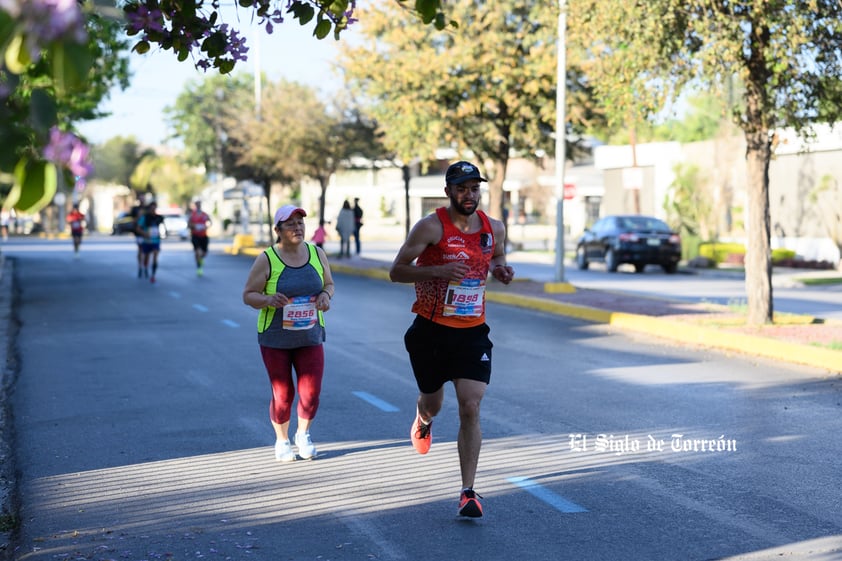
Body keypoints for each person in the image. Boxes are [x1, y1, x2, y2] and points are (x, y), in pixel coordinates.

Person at [389, 160, 515, 519]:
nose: (469, 194)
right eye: (462, 188)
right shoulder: (430, 227)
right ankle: (423, 418)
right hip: (430, 330)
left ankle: (468, 491)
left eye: (474, 188)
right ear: (448, 192)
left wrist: (500, 269)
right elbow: (396, 270)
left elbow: (497, 256)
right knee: (433, 402)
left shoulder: (494, 228)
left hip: (473, 331)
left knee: (471, 405)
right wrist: (438, 270)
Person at [242, 205, 336, 462]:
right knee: (283, 394)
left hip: (310, 335)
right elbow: (248, 295)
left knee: (311, 392)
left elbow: (328, 284)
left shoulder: (317, 254)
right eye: (290, 224)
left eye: (300, 222)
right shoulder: (268, 259)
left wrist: (326, 296)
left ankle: (303, 434)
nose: (297, 227)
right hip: (275, 338)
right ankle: (282, 440)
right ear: (278, 230)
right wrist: (268, 299)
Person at [135, 202, 164, 282]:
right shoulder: (145, 218)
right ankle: (145, 267)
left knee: (155, 254)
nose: (153, 210)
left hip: (156, 240)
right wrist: (144, 233)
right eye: (151, 208)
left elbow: (163, 227)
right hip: (147, 241)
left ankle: (153, 274)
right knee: (146, 256)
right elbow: (138, 228)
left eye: (154, 208)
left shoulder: (159, 218)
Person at [188, 200, 212, 276]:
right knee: (198, 252)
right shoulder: (192, 215)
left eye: (199, 204)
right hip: (195, 236)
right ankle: (199, 268)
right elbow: (188, 225)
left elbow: (210, 222)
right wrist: (193, 226)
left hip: (204, 236)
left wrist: (206, 226)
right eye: (197, 204)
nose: (198, 205)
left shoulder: (205, 214)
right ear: (195, 205)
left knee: (204, 253)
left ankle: (200, 259)